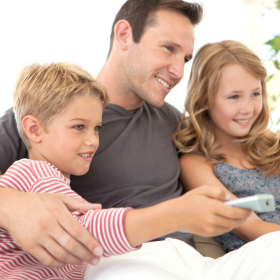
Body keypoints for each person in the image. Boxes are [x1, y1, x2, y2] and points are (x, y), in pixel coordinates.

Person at [0, 1, 279, 279]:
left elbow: (232, 144)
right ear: (123, 35)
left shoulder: (174, 121)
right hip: (122, 261)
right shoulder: (50, 114)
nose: (179, 72)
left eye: (185, 59)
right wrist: (11, 205)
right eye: (168, 48)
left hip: (196, 262)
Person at [173, 40, 280, 253]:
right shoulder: (196, 164)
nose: (248, 108)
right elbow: (250, 228)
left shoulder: (274, 146)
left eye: (255, 94)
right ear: (204, 99)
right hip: (257, 257)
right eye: (234, 97)